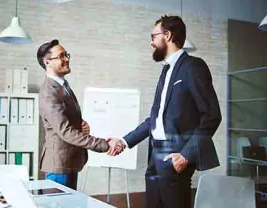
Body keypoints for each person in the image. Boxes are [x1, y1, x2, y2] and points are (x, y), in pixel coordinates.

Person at [108, 15, 222, 208]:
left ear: (167, 35)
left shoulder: (193, 66)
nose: (151, 41)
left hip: (176, 155)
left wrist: (186, 155)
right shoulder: (166, 70)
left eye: (153, 36)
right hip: (155, 155)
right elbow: (155, 118)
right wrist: (125, 141)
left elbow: (212, 115)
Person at [37, 39, 118, 190]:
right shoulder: (49, 92)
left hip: (69, 163)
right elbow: (65, 132)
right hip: (58, 167)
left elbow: (64, 120)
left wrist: (81, 124)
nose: (66, 59)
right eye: (61, 56)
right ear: (47, 62)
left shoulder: (63, 86)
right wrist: (105, 145)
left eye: (66, 55)